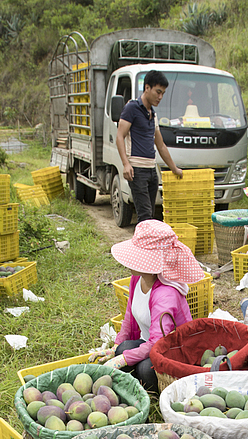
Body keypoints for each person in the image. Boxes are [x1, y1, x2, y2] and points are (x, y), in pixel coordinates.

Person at [93, 220, 207, 393]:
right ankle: (134, 383)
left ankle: (156, 393)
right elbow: (128, 317)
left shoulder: (165, 295)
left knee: (145, 369)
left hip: (173, 351)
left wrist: (124, 359)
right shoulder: (137, 279)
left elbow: (158, 343)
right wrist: (116, 347)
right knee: (123, 350)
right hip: (150, 343)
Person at [115, 69, 184, 224]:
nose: (160, 97)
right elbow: (120, 136)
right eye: (158, 92)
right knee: (145, 217)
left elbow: (161, 145)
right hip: (137, 170)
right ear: (147, 88)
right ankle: (142, 247)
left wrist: (174, 169)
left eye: (163, 94)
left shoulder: (152, 113)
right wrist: (126, 164)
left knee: (150, 216)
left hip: (152, 171)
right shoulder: (131, 108)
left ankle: (144, 246)